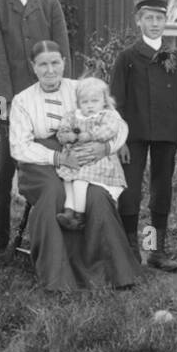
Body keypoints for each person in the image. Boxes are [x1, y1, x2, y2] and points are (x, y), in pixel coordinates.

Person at [9, 42, 141, 292]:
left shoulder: (79, 89)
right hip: (39, 161)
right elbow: (19, 147)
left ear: (64, 62)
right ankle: (57, 277)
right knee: (53, 194)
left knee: (96, 195)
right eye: (43, 64)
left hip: (82, 157)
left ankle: (112, 272)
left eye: (55, 62)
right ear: (33, 67)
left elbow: (118, 123)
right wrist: (57, 158)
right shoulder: (22, 100)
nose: (50, 70)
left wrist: (106, 148)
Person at [0, 0, 71, 261]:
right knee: (3, 173)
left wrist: (61, 99)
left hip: (46, 104)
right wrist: (5, 104)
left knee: (54, 169)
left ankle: (52, 234)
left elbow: (62, 56)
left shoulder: (49, 5)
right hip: (10, 106)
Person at [110, 0, 177, 270]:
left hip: (167, 135)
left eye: (159, 18)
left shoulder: (176, 58)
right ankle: (131, 252)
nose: (155, 23)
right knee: (131, 191)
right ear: (138, 21)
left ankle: (155, 251)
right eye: (149, 18)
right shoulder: (127, 57)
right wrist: (119, 140)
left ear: (166, 21)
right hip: (132, 136)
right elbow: (115, 102)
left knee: (161, 191)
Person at [55, 77, 127, 231]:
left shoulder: (107, 116)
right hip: (75, 160)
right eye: (85, 102)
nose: (90, 106)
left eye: (94, 101)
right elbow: (63, 129)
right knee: (67, 180)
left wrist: (90, 134)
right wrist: (67, 136)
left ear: (104, 101)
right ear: (79, 102)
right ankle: (69, 211)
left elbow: (110, 130)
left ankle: (80, 217)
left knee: (80, 182)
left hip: (95, 161)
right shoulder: (73, 115)